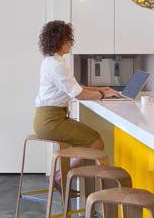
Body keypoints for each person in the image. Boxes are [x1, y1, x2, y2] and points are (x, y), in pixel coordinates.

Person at [33, 20, 115, 185]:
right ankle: (61, 176)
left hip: (47, 118)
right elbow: (78, 93)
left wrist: (100, 89)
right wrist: (102, 95)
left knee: (90, 140)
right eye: (68, 39)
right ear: (60, 40)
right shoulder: (57, 65)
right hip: (51, 121)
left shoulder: (52, 61)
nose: (71, 43)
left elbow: (74, 87)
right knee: (96, 142)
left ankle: (64, 175)